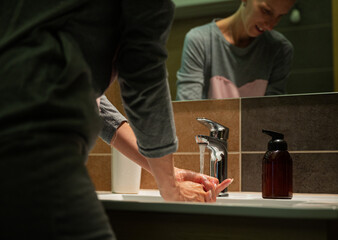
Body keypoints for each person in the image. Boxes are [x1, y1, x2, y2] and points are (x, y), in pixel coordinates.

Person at [0, 0, 232, 239]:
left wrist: (166, 173)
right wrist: (169, 186)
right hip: (30, 139)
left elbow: (98, 106)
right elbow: (143, 74)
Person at [176, 0, 296, 100]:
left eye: (280, 16)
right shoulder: (200, 40)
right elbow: (188, 109)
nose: (270, 26)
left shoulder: (280, 49)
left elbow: (272, 113)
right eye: (266, 11)